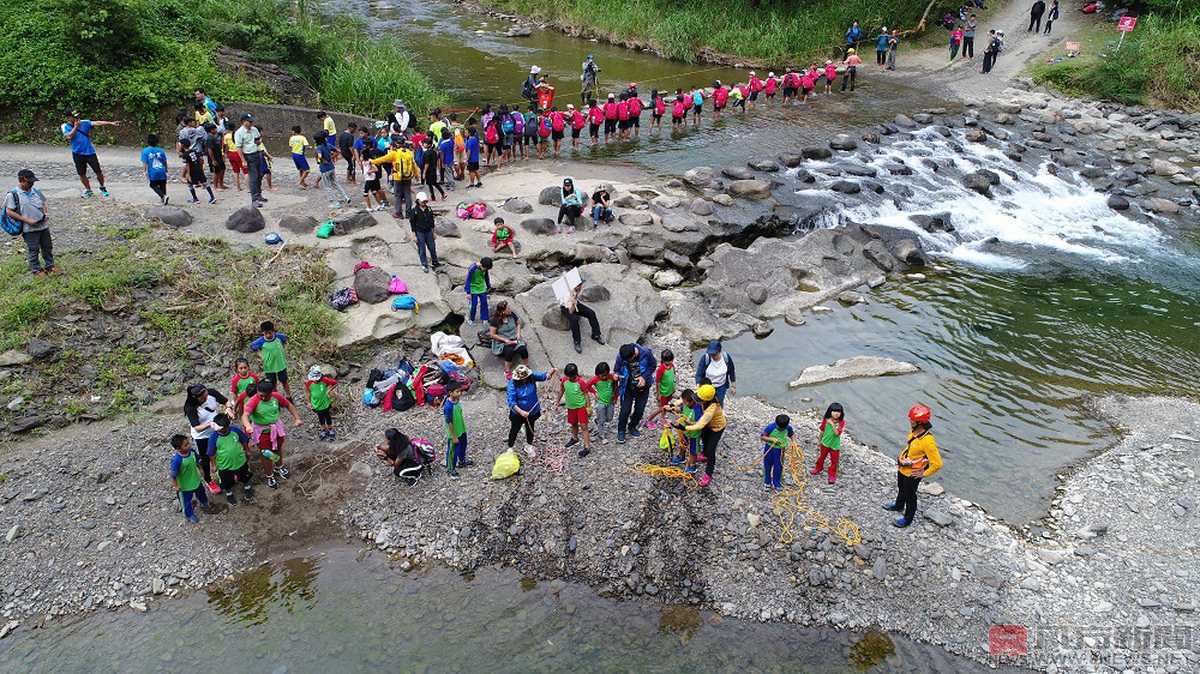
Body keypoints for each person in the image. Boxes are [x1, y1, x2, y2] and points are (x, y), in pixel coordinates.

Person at [884, 404, 943, 527]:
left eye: (912, 420)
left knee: (910, 496)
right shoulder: (915, 432)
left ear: (919, 422)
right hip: (903, 469)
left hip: (913, 474)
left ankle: (908, 518)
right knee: (901, 487)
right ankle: (898, 505)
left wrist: (924, 473)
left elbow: (937, 463)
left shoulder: (928, 441)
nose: (910, 421)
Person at [241, 380, 303, 489]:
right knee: (266, 454)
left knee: (277, 449)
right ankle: (269, 475)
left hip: (276, 429)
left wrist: (297, 418)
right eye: (260, 395)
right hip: (262, 433)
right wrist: (248, 426)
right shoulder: (254, 400)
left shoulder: (276, 397)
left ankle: (279, 467)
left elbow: (288, 405)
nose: (263, 398)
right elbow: (245, 415)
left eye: (266, 396)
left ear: (271, 393)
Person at [677, 384, 725, 488]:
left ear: (705, 400)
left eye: (698, 399)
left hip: (716, 429)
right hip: (707, 426)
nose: (696, 401)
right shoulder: (704, 394)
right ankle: (703, 455)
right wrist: (675, 404)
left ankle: (708, 474)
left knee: (711, 451)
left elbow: (699, 425)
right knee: (704, 442)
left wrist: (685, 428)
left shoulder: (711, 409)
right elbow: (689, 397)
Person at [5, 170, 52, 276]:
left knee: (47, 246)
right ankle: (36, 270)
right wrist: (27, 220)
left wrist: (45, 213)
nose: (32, 184)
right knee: (33, 249)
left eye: (33, 182)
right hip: (29, 228)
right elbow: (9, 211)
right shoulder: (13, 194)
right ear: (21, 180)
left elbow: (43, 203)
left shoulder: (36, 191)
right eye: (29, 182)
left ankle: (50, 265)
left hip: (43, 226)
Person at [62, 112, 117, 198]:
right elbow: (69, 137)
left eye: (78, 117)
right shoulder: (65, 126)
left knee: (98, 172)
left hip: (90, 152)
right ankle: (88, 190)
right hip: (77, 153)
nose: (78, 119)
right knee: (81, 174)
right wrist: (76, 127)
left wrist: (110, 123)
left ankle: (102, 186)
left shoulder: (84, 122)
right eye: (75, 117)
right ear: (69, 118)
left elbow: (97, 122)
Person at [506, 365, 555, 455]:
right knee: (514, 429)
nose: (525, 379)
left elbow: (544, 376)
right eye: (523, 378)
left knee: (530, 427)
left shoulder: (531, 376)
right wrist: (521, 412)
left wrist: (550, 373)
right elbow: (512, 402)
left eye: (526, 377)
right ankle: (510, 446)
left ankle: (529, 445)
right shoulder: (512, 384)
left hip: (532, 411)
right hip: (517, 413)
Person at [614, 343, 656, 443]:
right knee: (625, 410)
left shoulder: (646, 353)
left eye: (629, 360)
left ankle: (632, 426)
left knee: (640, 409)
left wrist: (644, 377)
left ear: (634, 354)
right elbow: (617, 369)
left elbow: (652, 366)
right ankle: (621, 430)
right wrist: (616, 374)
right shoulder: (622, 355)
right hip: (627, 386)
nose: (628, 361)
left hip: (643, 386)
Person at [211, 413, 254, 505]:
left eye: (221, 429)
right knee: (226, 481)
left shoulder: (235, 431)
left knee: (244, 475)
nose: (219, 431)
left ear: (227, 426)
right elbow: (211, 453)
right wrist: (214, 465)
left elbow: (244, 440)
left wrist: (247, 451)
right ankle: (229, 493)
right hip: (224, 465)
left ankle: (247, 487)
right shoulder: (214, 437)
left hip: (240, 461)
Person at [371, 136, 418, 219]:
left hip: (398, 177)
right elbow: (414, 164)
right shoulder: (408, 152)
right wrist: (417, 175)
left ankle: (398, 213)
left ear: (396, 144)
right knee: (407, 194)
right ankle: (409, 213)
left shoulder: (394, 153)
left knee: (398, 195)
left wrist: (372, 161)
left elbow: (383, 159)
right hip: (408, 177)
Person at [556, 363, 594, 458]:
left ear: (576, 374)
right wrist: (557, 400)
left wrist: (588, 407)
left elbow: (586, 394)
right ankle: (574, 438)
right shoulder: (564, 380)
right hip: (570, 407)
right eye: (568, 376)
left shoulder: (581, 382)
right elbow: (561, 390)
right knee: (573, 423)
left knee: (584, 426)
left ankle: (587, 446)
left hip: (581, 407)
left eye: (572, 376)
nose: (570, 378)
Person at [170, 434, 209, 524]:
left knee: (201, 492)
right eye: (186, 445)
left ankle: (204, 502)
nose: (189, 445)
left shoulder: (192, 452)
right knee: (186, 501)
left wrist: (201, 469)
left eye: (188, 443)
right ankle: (189, 514)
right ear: (178, 449)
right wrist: (176, 485)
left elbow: (197, 461)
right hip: (184, 486)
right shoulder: (177, 460)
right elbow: (173, 475)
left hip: (196, 479)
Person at [560, 274, 604, 354]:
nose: (581, 286)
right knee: (574, 319)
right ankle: (577, 341)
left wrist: (575, 296)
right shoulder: (566, 295)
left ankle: (596, 334)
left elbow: (576, 303)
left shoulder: (575, 290)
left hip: (575, 303)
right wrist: (573, 298)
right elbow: (571, 310)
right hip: (567, 307)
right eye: (579, 285)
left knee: (591, 313)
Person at [250, 321, 292, 400]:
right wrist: (260, 355)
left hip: (281, 365)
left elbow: (286, 339)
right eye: (266, 333)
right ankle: (276, 398)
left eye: (270, 333)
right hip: (269, 367)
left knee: (284, 381)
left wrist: (283, 350)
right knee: (272, 384)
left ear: (273, 331)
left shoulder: (279, 337)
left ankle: (288, 396)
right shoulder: (261, 341)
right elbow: (252, 346)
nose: (268, 335)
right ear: (263, 333)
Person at [488, 301, 529, 374]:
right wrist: (505, 340)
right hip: (502, 341)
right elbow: (492, 334)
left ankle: (526, 365)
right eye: (508, 308)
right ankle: (507, 370)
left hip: (514, 338)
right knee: (509, 351)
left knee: (523, 349)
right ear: (503, 311)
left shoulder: (512, 314)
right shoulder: (495, 320)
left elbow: (518, 323)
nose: (510, 309)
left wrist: (518, 334)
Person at [234, 114, 266, 207]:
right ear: (243, 121)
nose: (251, 123)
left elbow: (257, 140)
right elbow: (239, 148)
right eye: (249, 121)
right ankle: (254, 199)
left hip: (257, 153)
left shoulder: (254, 129)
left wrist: (259, 141)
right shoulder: (239, 133)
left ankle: (259, 195)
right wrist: (243, 160)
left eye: (252, 121)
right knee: (254, 177)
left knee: (260, 175)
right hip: (248, 156)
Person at [315, 131, 351, 209]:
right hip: (331, 167)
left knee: (328, 186)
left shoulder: (319, 147)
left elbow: (320, 156)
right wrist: (332, 157)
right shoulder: (328, 145)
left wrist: (322, 160)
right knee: (335, 183)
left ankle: (335, 203)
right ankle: (346, 197)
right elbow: (338, 151)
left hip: (324, 169)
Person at [811, 402, 846, 484]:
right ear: (830, 411)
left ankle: (832, 475)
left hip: (835, 445)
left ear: (841, 413)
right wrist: (819, 440)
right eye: (834, 411)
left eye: (838, 412)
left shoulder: (841, 422)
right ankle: (818, 468)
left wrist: (832, 424)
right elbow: (822, 430)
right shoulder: (825, 420)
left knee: (834, 461)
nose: (836, 413)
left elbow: (837, 433)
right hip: (825, 443)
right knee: (821, 457)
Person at [644, 348, 676, 430]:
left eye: (671, 360)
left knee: (665, 406)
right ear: (664, 360)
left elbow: (673, 376)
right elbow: (657, 382)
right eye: (668, 361)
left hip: (669, 391)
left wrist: (673, 388)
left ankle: (662, 418)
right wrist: (658, 394)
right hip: (663, 393)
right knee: (661, 408)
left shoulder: (672, 366)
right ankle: (648, 420)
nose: (670, 362)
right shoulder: (661, 369)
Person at [305, 365, 339, 441]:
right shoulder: (309, 383)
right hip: (316, 405)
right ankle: (323, 429)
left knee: (328, 417)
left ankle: (330, 429)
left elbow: (335, 383)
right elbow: (308, 393)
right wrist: (309, 403)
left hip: (326, 404)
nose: (316, 380)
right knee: (320, 417)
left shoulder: (324, 380)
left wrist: (329, 390)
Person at [761, 413, 793, 492]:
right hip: (770, 449)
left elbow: (791, 434)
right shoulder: (770, 427)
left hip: (780, 450)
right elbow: (762, 437)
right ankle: (767, 481)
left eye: (783, 429)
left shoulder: (788, 428)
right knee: (768, 464)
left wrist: (794, 442)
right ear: (776, 423)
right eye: (779, 428)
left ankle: (777, 482)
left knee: (778, 466)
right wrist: (771, 439)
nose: (781, 430)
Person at [179, 138, 216, 205]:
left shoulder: (185, 155)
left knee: (190, 184)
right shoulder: (194, 151)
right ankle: (212, 197)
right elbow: (201, 159)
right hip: (199, 169)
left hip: (192, 170)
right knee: (204, 183)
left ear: (183, 145)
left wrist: (188, 174)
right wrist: (201, 167)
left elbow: (187, 165)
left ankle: (195, 199)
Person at [410, 192, 440, 273]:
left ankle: (435, 261)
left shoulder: (429, 209)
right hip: (420, 232)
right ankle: (424, 264)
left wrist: (433, 232)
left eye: (425, 201)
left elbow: (432, 222)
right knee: (422, 249)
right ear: (418, 201)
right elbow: (412, 223)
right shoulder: (414, 211)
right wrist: (414, 235)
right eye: (423, 201)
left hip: (428, 231)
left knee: (432, 247)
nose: (424, 203)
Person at [588, 362, 618, 442]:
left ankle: (597, 421)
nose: (604, 377)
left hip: (610, 401)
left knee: (609, 418)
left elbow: (616, 386)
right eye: (602, 375)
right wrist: (594, 392)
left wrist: (615, 397)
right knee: (602, 420)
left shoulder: (611, 377)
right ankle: (602, 435)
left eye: (605, 375)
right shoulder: (595, 379)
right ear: (597, 374)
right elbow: (587, 386)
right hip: (600, 402)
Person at [443, 384, 468, 478]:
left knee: (463, 446)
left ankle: (462, 461)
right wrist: (453, 436)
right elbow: (449, 422)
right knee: (452, 451)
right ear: (450, 393)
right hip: (454, 433)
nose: (460, 393)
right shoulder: (448, 407)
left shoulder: (457, 401)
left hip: (461, 429)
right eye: (457, 392)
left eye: (460, 391)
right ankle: (450, 469)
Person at [675, 389, 702, 472]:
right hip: (685, 431)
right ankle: (681, 456)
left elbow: (700, 424)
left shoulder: (697, 409)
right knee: (682, 443)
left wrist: (689, 422)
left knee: (693, 450)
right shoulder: (686, 405)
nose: (684, 404)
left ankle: (693, 465)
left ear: (691, 402)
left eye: (685, 402)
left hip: (694, 434)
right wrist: (676, 409)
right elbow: (682, 410)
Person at [138, 135, 171, 205]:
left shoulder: (145, 151)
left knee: (153, 185)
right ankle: (164, 199)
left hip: (153, 171)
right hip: (162, 170)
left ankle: (163, 196)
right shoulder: (161, 151)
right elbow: (165, 161)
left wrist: (144, 171)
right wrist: (166, 170)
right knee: (162, 185)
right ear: (157, 142)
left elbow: (145, 163)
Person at [464, 256, 493, 323]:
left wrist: (489, 287)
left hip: (482, 288)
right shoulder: (472, 268)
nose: (485, 270)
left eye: (486, 269)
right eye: (484, 268)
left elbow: (486, 278)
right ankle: (471, 319)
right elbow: (468, 280)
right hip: (473, 289)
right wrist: (468, 292)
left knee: (484, 303)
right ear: (481, 264)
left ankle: (484, 318)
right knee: (474, 304)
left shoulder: (485, 269)